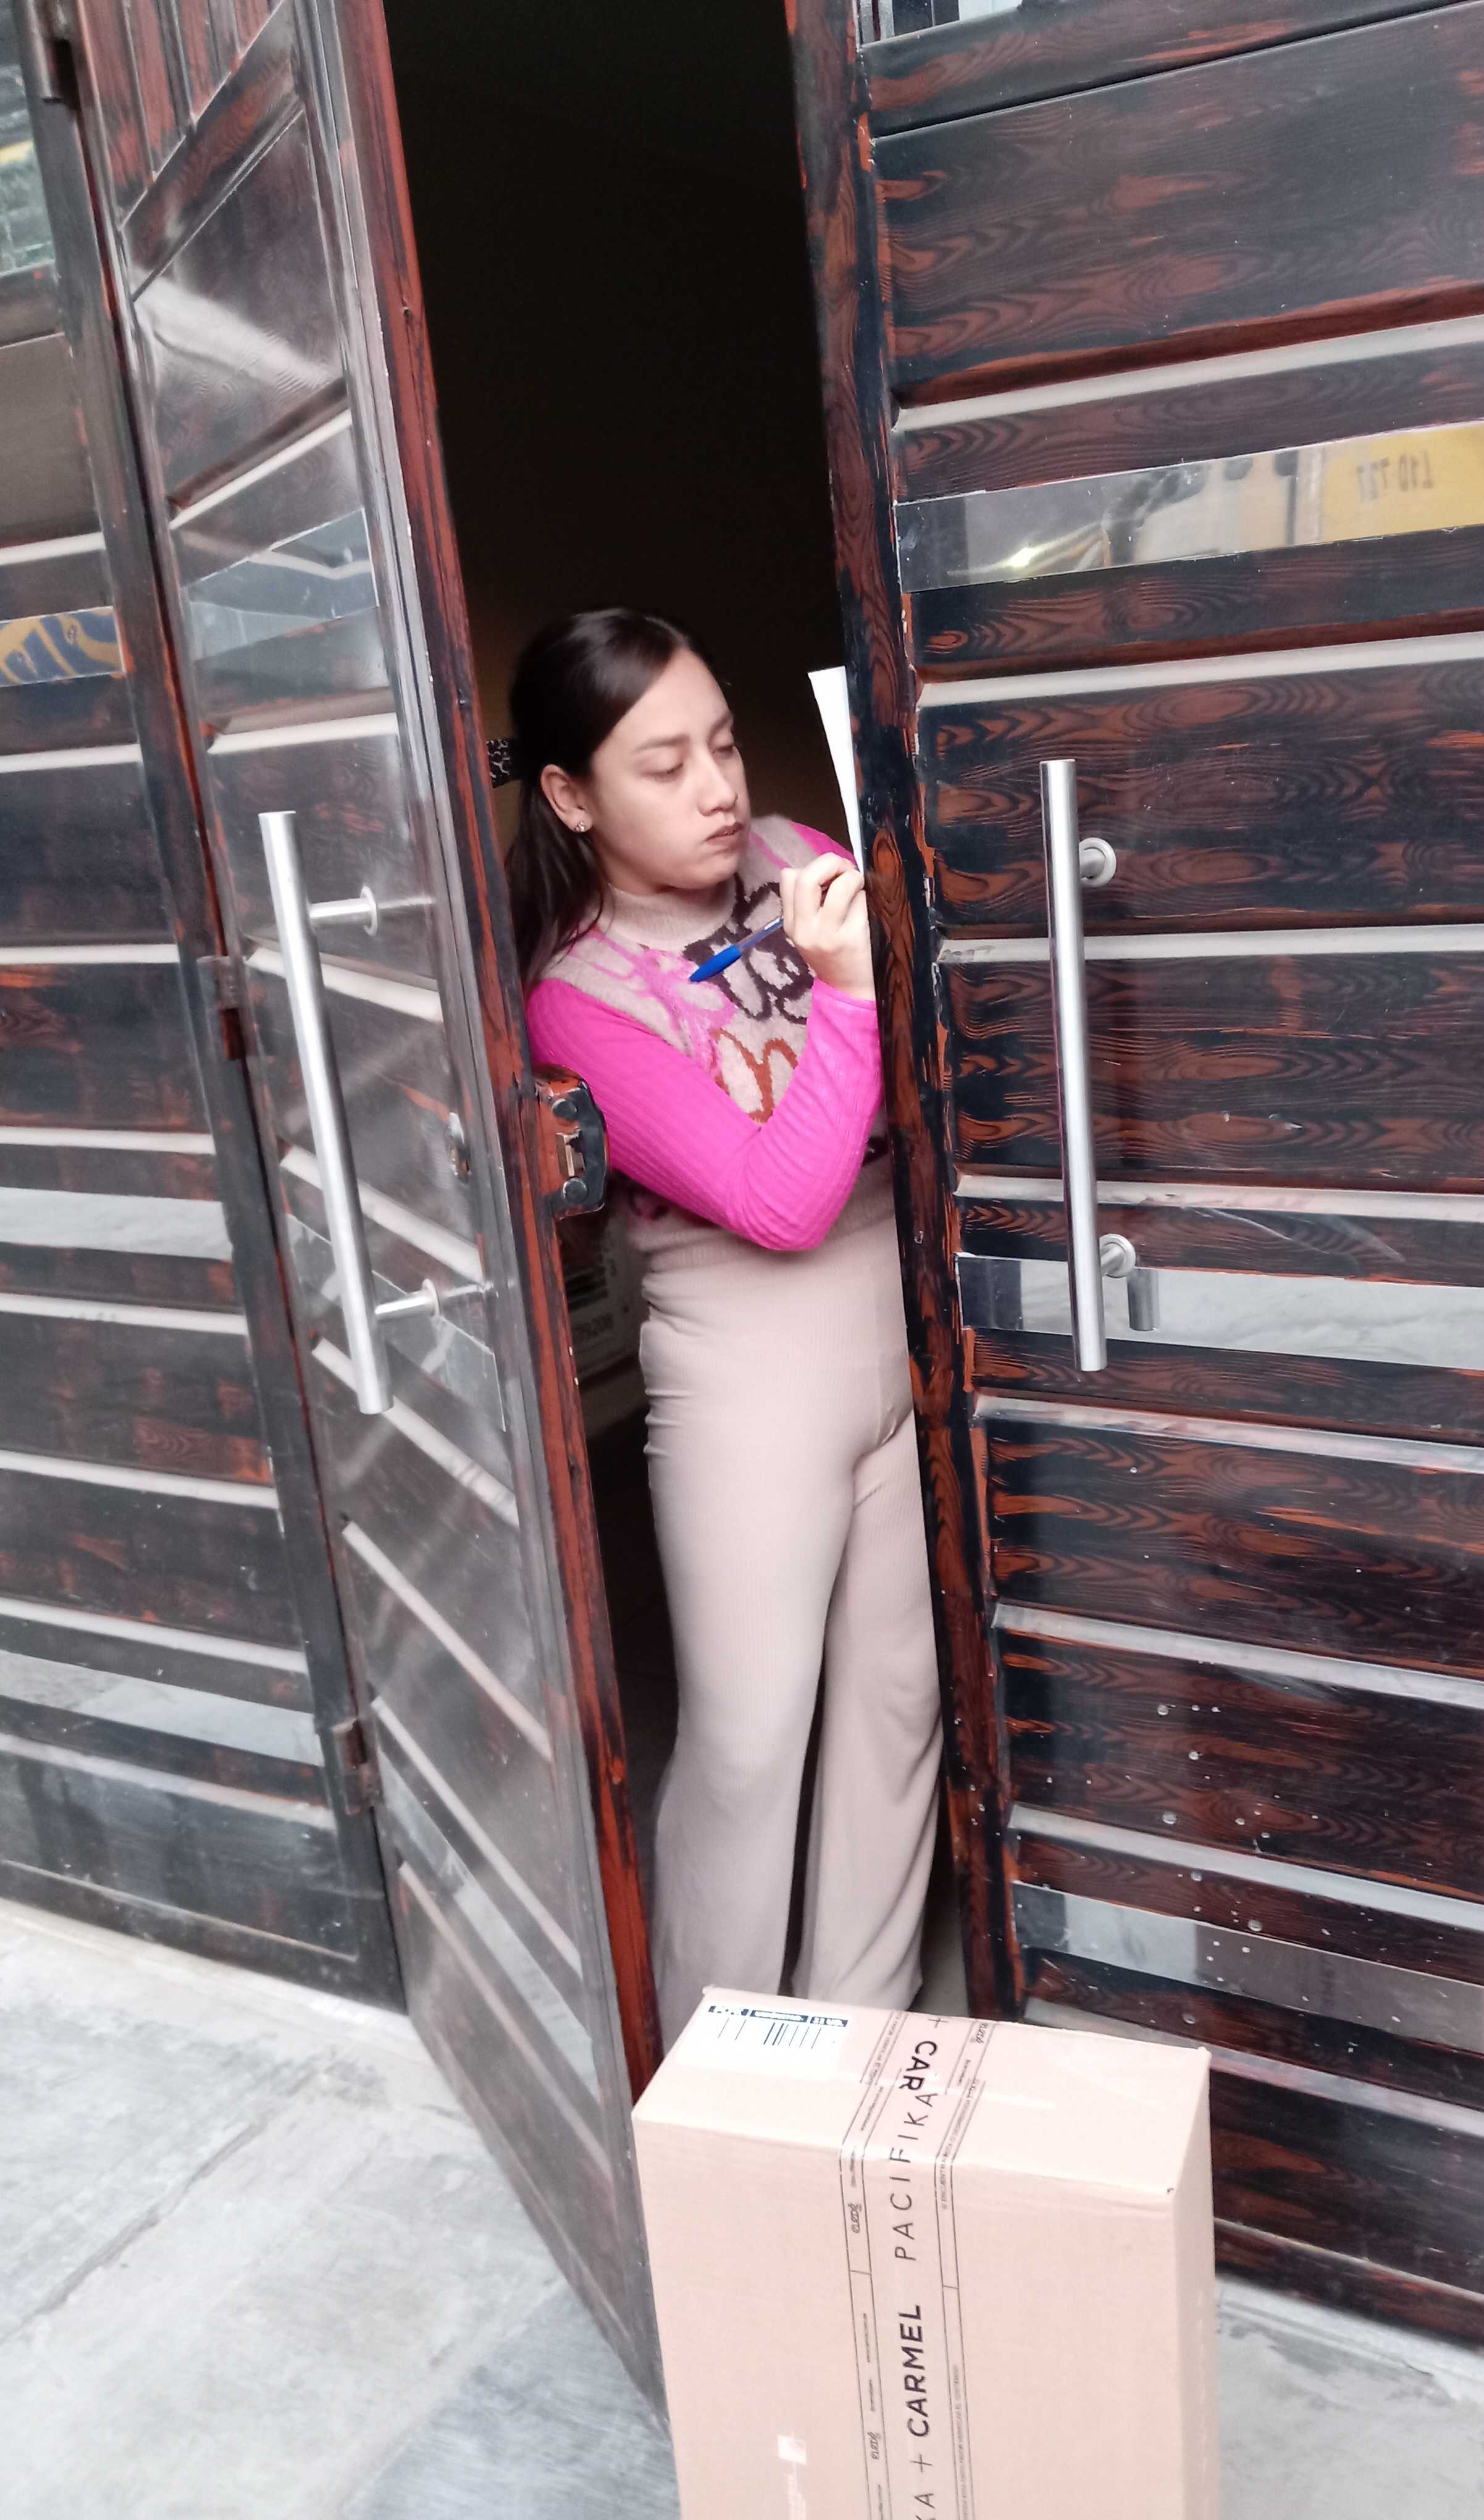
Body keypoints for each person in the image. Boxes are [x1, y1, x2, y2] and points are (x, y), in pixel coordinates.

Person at [505, 607, 941, 2046]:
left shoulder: (793, 858)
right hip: (752, 1378)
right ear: (571, 795)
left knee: (896, 1707)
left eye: (725, 745)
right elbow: (778, 1201)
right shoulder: (575, 1001)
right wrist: (852, 992)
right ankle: (714, 2070)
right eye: (663, 765)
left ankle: (859, 2037)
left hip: (904, 1326)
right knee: (752, 1743)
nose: (716, 791)